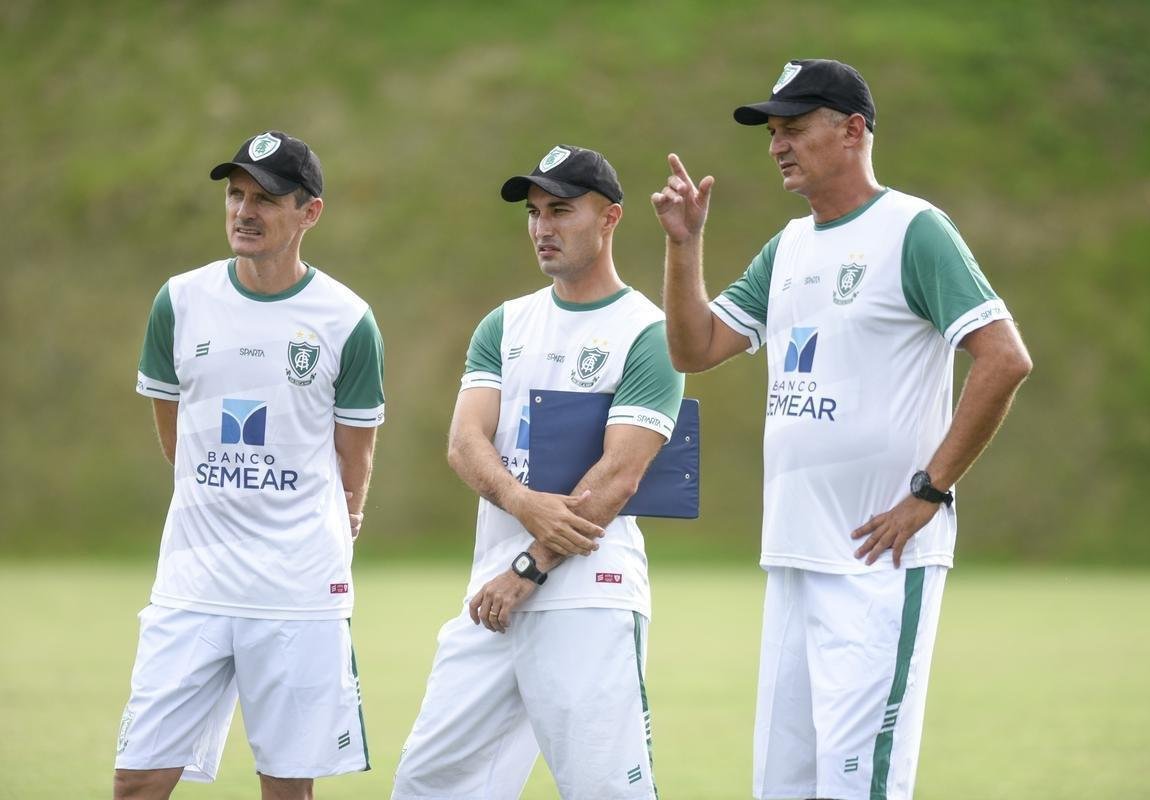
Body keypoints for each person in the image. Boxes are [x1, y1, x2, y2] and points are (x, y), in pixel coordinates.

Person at [652, 59, 1033, 800]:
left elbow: (1004, 359)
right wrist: (683, 245)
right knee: (783, 785)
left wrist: (930, 490)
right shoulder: (788, 247)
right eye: (772, 133)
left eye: (793, 128)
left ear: (853, 129)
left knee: (861, 786)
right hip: (794, 557)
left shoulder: (912, 230)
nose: (776, 146)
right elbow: (693, 351)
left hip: (878, 563)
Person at [391, 145, 683, 800]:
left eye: (560, 210)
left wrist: (530, 566)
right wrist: (521, 503)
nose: (542, 228)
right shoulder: (505, 322)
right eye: (533, 213)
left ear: (609, 217)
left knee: (604, 790)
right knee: (428, 783)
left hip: (587, 594)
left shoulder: (648, 333)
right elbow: (465, 441)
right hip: (492, 595)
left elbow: (619, 477)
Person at [115, 131, 385, 800]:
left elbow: (357, 455)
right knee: (136, 781)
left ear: (309, 213)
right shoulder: (179, 302)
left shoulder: (347, 320)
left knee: (286, 790)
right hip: (193, 582)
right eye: (235, 195)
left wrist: (339, 517)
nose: (244, 211)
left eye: (265, 198)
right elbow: (175, 430)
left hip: (296, 589)